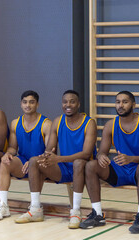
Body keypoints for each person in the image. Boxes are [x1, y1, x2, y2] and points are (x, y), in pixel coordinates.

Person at [15, 90, 97, 229]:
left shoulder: (89, 123)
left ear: (78, 104)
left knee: (78, 163)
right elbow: (49, 149)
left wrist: (58, 158)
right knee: (35, 161)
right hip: (64, 167)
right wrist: (44, 157)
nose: (68, 104)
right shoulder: (58, 121)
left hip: (84, 168)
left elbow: (86, 153)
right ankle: (35, 209)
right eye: (65, 102)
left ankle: (76, 211)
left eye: (72, 101)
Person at [79, 91, 139, 233]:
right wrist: (101, 156)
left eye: (125, 102)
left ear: (133, 105)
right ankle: (97, 214)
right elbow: (102, 151)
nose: (120, 105)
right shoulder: (110, 125)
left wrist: (131, 159)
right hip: (120, 169)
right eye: (118, 102)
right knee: (91, 165)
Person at [0, 90, 52, 221]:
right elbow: (13, 148)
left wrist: (34, 161)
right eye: (25, 102)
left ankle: (35, 207)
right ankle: (3, 206)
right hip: (23, 161)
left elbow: (49, 153)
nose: (28, 105)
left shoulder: (46, 124)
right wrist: (7, 154)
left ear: (37, 104)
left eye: (31, 102)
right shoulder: (15, 123)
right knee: (5, 162)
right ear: (21, 104)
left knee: (36, 164)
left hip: (41, 163)